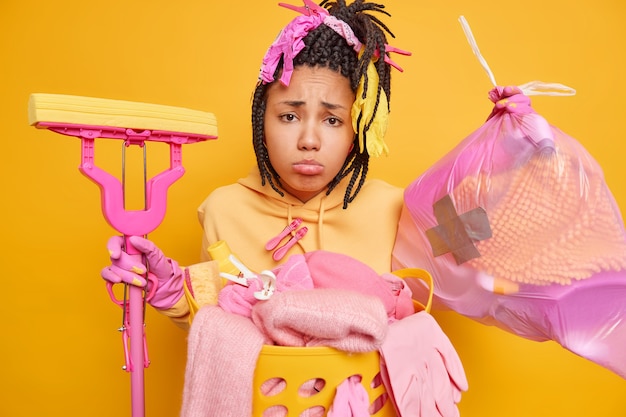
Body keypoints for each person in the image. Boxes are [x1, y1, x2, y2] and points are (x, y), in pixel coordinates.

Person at [101, 0, 411, 327]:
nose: (309, 140)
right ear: (262, 124)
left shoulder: (395, 209)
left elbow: (445, 287)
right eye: (289, 116)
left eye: (332, 120)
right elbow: (216, 325)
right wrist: (170, 292)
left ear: (357, 131)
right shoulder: (223, 209)